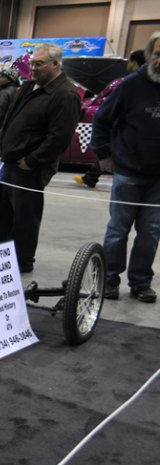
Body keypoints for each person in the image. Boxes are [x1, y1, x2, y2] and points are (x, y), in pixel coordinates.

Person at [0, 43, 80, 273]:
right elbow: (11, 117)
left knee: (25, 215)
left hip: (30, 167)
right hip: (10, 162)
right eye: (32, 63)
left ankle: (22, 260)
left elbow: (60, 137)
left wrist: (32, 161)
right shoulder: (29, 85)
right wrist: (1, 145)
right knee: (5, 213)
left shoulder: (65, 94)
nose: (33, 68)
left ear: (56, 64)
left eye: (39, 64)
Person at [90, 34, 160, 303]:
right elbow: (101, 118)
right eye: (157, 54)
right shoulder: (130, 85)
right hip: (129, 172)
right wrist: (103, 155)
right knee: (118, 230)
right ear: (150, 55)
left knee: (150, 232)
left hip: (158, 179)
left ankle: (140, 282)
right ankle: (109, 279)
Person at [75, 49, 147, 189]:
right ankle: (91, 176)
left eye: (129, 61)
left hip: (120, 128)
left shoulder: (126, 82)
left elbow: (105, 105)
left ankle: (91, 176)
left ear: (134, 63)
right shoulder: (146, 83)